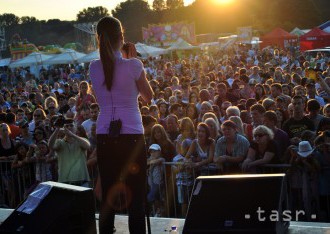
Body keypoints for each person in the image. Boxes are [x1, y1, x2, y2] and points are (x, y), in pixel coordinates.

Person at [89, 17, 153, 234]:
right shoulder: (133, 65)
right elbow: (148, 97)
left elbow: (102, 100)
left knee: (108, 193)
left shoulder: (93, 68)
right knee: (136, 195)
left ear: (99, 39)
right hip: (132, 134)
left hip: (105, 133)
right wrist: (131, 60)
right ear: (122, 37)